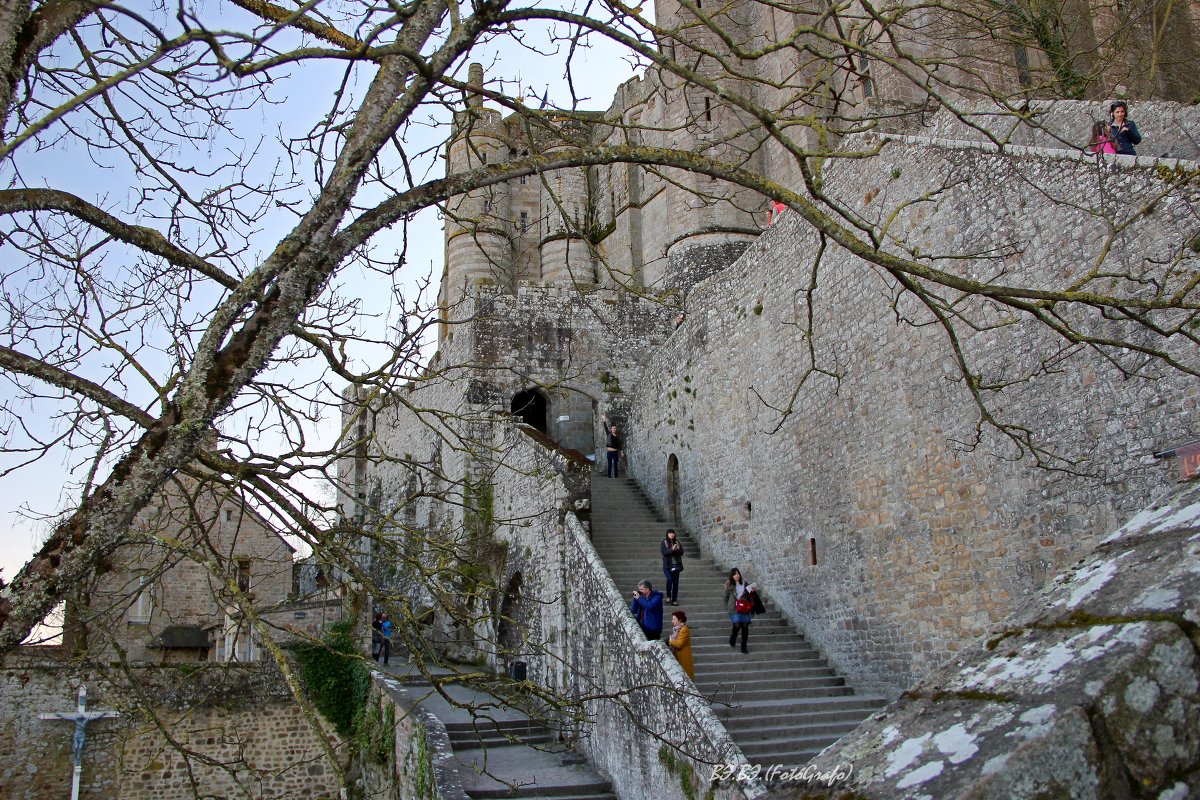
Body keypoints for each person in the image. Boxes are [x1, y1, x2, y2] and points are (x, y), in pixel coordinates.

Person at [724, 567, 753, 654]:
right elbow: (726, 597)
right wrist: (727, 607)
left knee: (745, 627)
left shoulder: (745, 584)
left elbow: (751, 595)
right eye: (734, 574)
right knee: (737, 625)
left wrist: (752, 591)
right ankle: (733, 637)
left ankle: (744, 646)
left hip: (744, 608)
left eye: (737, 574)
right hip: (734, 608)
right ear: (732, 576)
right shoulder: (730, 586)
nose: (736, 576)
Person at [660, 529, 684, 605]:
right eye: (670, 533)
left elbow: (681, 553)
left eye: (673, 533)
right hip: (667, 566)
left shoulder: (677, 542)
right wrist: (671, 549)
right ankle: (668, 596)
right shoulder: (664, 542)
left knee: (676, 583)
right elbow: (664, 552)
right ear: (667, 534)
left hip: (676, 566)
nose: (672, 534)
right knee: (669, 579)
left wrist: (676, 549)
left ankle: (674, 600)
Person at [668, 610, 694, 679]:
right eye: (672, 619)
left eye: (674, 619)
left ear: (680, 620)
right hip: (679, 655)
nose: (672, 621)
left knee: (685, 677)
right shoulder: (677, 629)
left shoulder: (684, 629)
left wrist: (670, 641)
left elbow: (679, 644)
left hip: (683, 656)